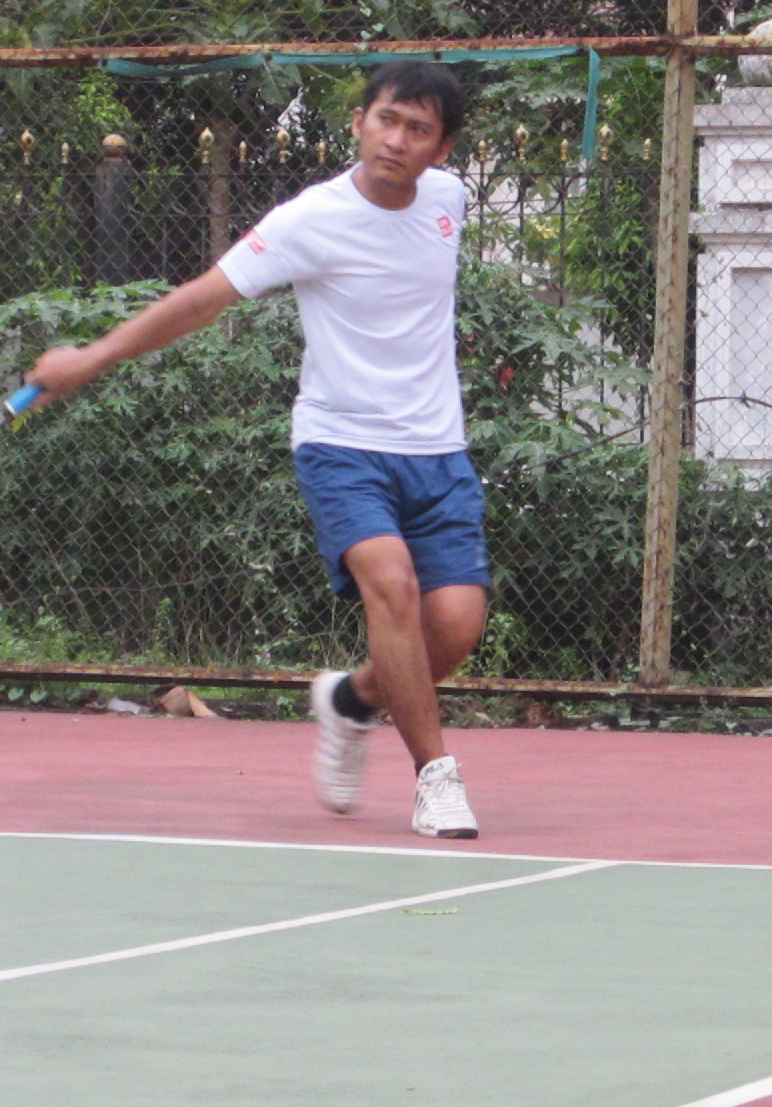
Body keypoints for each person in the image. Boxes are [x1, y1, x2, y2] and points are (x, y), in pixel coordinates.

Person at [24, 60, 488, 839]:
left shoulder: (448, 199)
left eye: (419, 130)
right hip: (343, 446)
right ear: (358, 122)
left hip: (438, 450)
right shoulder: (310, 219)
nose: (397, 140)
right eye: (386, 120)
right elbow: (201, 299)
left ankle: (351, 700)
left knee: (456, 630)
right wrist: (91, 358)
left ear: (440, 149)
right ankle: (436, 777)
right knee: (392, 586)